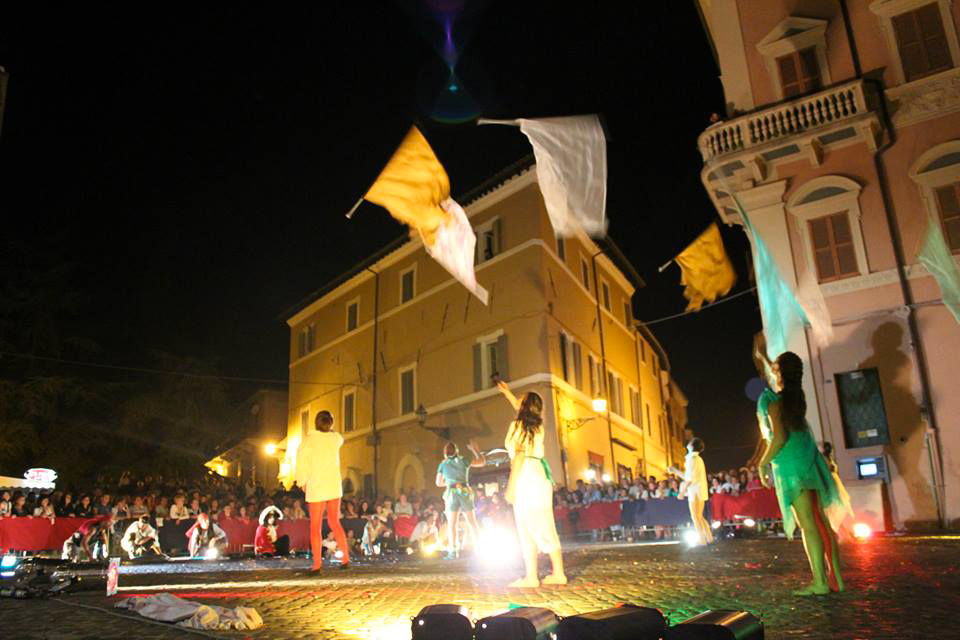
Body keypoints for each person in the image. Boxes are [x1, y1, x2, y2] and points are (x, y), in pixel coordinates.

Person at [754, 339, 846, 596]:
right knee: (820, 521)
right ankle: (835, 577)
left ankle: (819, 582)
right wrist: (761, 353)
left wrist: (762, 463)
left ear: (780, 372)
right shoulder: (797, 395)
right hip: (808, 456)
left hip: (791, 463)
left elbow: (778, 437)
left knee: (808, 524)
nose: (771, 368)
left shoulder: (772, 399)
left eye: (775, 366)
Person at [496, 379, 566, 587]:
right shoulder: (537, 426)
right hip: (539, 476)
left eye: (521, 399)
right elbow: (519, 407)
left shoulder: (518, 426)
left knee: (526, 527)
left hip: (525, 475)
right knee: (544, 524)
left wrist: (510, 488)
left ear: (524, 406)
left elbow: (518, 457)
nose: (517, 401)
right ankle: (556, 573)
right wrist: (507, 393)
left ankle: (531, 576)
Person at [295, 410, 350, 571]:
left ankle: (317, 565)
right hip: (333, 485)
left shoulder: (308, 441)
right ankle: (345, 559)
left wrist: (301, 482)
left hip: (317, 486)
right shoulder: (336, 438)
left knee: (315, 526)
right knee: (335, 522)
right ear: (331, 424)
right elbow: (339, 437)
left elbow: (301, 462)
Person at [435, 439, 486, 558]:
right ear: (456, 451)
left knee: (452, 524)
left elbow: (438, 483)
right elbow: (482, 462)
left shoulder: (443, 464)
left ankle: (453, 551)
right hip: (464, 492)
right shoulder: (464, 460)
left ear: (445, 452)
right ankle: (480, 549)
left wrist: (449, 483)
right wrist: (476, 450)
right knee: (472, 522)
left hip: (451, 493)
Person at [670, 437, 713, 546]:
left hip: (695, 492)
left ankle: (702, 540)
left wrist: (681, 492)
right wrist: (675, 471)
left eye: (690, 442)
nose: (687, 443)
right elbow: (688, 476)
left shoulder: (691, 459)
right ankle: (709, 537)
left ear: (692, 446)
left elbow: (689, 479)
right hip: (699, 490)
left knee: (695, 517)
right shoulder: (697, 459)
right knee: (699, 516)